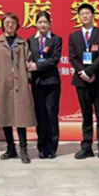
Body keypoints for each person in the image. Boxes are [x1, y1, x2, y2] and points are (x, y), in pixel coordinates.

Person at [0, 12, 37, 164]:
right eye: (7, 22)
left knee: (21, 118)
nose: (10, 25)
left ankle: (23, 149)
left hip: (20, 84)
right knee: (5, 116)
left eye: (13, 23)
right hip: (2, 84)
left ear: (17, 25)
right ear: (3, 24)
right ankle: (10, 148)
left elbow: (29, 61)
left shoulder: (22, 42)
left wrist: (27, 77)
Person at [69, 3, 99, 163]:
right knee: (86, 115)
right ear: (79, 17)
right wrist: (83, 73)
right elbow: (73, 57)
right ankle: (86, 147)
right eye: (82, 14)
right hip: (81, 81)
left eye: (88, 13)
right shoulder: (74, 36)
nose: (85, 16)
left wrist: (90, 72)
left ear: (93, 15)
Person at [27, 12, 62, 159]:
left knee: (51, 114)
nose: (42, 25)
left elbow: (54, 59)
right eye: (40, 22)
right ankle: (42, 147)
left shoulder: (56, 39)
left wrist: (37, 66)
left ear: (50, 24)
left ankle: (52, 147)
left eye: (45, 22)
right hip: (37, 83)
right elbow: (28, 59)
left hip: (52, 82)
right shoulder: (30, 40)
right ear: (36, 24)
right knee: (40, 115)